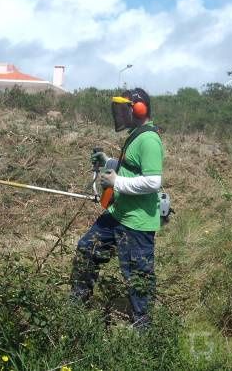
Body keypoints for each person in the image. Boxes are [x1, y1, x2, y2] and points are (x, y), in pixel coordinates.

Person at [70, 88, 164, 328]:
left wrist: (116, 182)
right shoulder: (136, 134)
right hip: (118, 214)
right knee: (87, 250)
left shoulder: (149, 139)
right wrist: (109, 161)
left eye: (125, 109)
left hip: (137, 222)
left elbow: (153, 181)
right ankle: (75, 310)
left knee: (138, 279)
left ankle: (144, 331)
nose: (120, 114)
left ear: (139, 109)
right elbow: (132, 166)